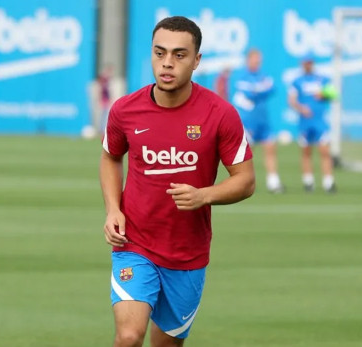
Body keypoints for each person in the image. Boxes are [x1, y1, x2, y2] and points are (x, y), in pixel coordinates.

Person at [99, 16, 255, 347]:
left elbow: (246, 181)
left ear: (197, 60)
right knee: (128, 336)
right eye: (160, 53)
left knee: (166, 344)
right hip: (134, 243)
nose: (167, 63)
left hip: (187, 253)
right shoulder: (125, 110)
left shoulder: (220, 114)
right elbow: (111, 157)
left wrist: (204, 196)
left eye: (179, 55)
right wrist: (113, 209)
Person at [231, 49, 283, 193]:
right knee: (247, 154)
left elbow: (272, 88)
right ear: (248, 60)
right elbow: (249, 94)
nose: (257, 63)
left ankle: (273, 182)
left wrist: (258, 91)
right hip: (248, 121)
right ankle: (241, 181)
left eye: (259, 60)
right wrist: (261, 91)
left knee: (271, 149)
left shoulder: (263, 75)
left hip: (263, 120)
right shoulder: (241, 77)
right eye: (255, 59)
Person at [287, 55, 336, 193]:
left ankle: (328, 182)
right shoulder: (297, 81)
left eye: (310, 62)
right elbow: (291, 100)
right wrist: (301, 108)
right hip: (305, 123)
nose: (308, 65)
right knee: (306, 152)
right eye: (306, 62)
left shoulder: (322, 79)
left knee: (325, 151)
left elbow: (334, 94)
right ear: (302, 63)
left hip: (320, 121)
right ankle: (308, 182)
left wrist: (324, 94)